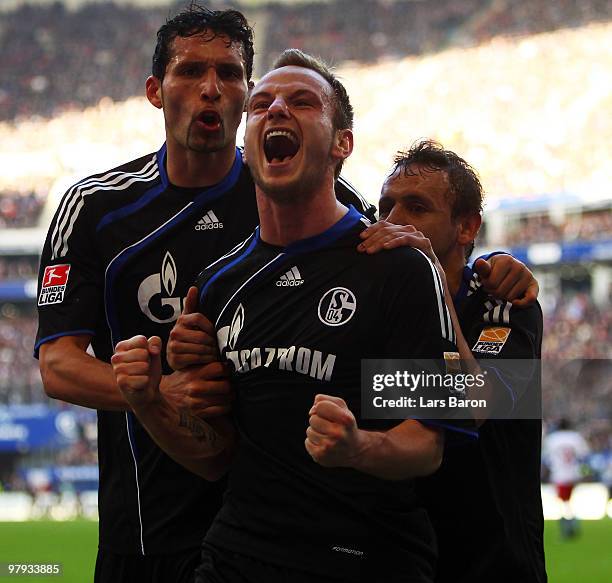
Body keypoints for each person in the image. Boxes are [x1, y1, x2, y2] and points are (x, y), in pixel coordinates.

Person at [111, 50, 482, 583]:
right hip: (236, 556)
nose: (276, 109)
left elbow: (426, 444)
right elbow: (216, 456)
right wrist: (147, 402)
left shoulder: (393, 267)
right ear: (248, 140)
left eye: (302, 101)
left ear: (341, 143)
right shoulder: (219, 284)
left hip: (362, 560)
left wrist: (359, 447)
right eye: (261, 104)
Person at [34, 6, 373, 582]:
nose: (210, 88)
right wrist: (157, 392)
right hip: (148, 531)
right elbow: (58, 366)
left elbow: (404, 284)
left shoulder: (308, 191)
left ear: (246, 94)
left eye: (230, 73)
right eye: (190, 71)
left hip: (282, 534)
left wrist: (484, 271)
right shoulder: (95, 209)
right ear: (155, 91)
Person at [359, 140, 547, 582]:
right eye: (385, 207)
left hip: (495, 566)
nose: (394, 221)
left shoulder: (504, 303)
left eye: (417, 207)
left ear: (466, 226)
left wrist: (431, 286)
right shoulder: (373, 302)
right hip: (404, 562)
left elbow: (475, 406)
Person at [543, 418, 590, 538]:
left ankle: (567, 528)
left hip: (559, 474)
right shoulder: (575, 437)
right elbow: (584, 454)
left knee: (563, 502)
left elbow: (546, 457)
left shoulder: (552, 439)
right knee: (568, 501)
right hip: (573, 473)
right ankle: (572, 526)